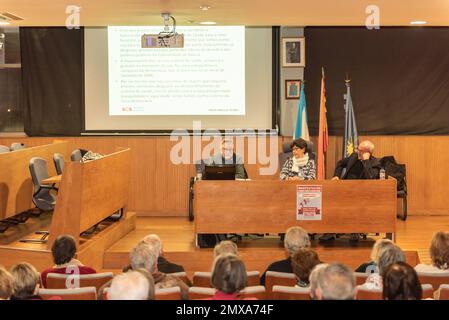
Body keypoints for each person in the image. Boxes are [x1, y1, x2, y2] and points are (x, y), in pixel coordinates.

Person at [323, 140, 382, 242]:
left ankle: (354, 230)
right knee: (330, 201)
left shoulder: (375, 163)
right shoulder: (354, 156)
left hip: (362, 193)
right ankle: (330, 231)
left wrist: (365, 161)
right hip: (345, 188)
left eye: (360, 150)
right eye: (357, 149)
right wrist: (336, 175)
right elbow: (340, 163)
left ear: (367, 153)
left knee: (352, 205)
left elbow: (372, 179)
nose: (357, 151)